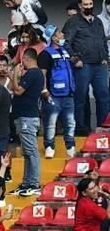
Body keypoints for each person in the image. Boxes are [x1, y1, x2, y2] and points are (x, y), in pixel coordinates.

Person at [63, 0, 109, 134]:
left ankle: (104, 127)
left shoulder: (98, 21)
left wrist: (105, 57)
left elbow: (103, 41)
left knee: (104, 95)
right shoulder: (73, 22)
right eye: (86, 4)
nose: (89, 7)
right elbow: (65, 43)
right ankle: (80, 129)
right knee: (80, 97)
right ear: (80, 6)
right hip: (83, 65)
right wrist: (75, 59)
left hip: (99, 65)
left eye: (90, 4)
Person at [10, 48, 44, 197]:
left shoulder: (33, 73)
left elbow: (17, 91)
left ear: (26, 59)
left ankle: (34, 183)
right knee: (27, 153)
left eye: (22, 60)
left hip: (27, 118)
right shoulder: (35, 74)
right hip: (24, 117)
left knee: (31, 152)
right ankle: (26, 183)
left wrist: (14, 76)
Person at [42, 29, 77, 159]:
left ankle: (70, 147)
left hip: (68, 94)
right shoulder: (46, 54)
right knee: (51, 123)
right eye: (59, 34)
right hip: (53, 95)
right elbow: (43, 73)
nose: (62, 35)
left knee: (70, 122)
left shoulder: (65, 51)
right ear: (53, 37)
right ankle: (49, 147)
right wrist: (44, 90)